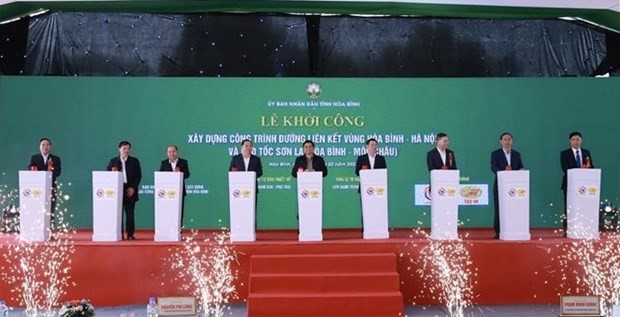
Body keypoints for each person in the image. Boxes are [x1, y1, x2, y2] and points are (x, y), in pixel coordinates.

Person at [490, 132, 524, 239]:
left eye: (509, 139)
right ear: (501, 141)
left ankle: (514, 228)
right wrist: (503, 171)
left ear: (512, 141)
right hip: (500, 185)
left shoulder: (517, 154)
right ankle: (498, 231)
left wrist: (520, 170)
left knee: (514, 207)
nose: (507, 141)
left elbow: (521, 167)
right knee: (499, 208)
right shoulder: (495, 154)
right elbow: (493, 168)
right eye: (505, 139)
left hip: (514, 187)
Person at [107, 141, 142, 240]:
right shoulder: (113, 161)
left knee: (130, 214)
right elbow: (108, 175)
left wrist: (133, 188)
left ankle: (130, 234)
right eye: (124, 148)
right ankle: (119, 234)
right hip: (117, 189)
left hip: (130, 189)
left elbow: (138, 176)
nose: (126, 150)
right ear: (119, 149)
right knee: (118, 214)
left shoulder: (135, 161)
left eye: (128, 149)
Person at [560, 131, 594, 231]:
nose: (576, 142)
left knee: (585, 205)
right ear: (570, 141)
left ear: (581, 141)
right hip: (569, 184)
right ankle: (567, 228)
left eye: (578, 139)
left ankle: (585, 227)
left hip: (584, 186)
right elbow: (564, 169)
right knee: (568, 206)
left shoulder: (586, 153)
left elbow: (591, 166)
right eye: (573, 140)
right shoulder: (564, 154)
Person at [229, 139, 264, 227]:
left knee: (251, 210)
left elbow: (260, 172)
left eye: (250, 146)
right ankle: (239, 227)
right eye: (246, 146)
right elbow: (231, 171)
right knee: (239, 210)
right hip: (238, 190)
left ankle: (252, 229)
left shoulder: (256, 159)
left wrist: (250, 176)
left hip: (251, 189)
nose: (248, 148)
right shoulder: (236, 159)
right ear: (242, 147)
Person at [28, 137, 62, 226]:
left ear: (50, 147)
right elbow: (31, 170)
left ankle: (49, 231)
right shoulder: (34, 158)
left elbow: (58, 172)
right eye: (43, 145)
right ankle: (36, 228)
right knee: (37, 207)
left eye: (47, 145)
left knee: (50, 208)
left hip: (51, 187)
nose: (45, 147)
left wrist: (48, 175)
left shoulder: (55, 159)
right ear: (39, 146)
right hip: (37, 188)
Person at [159, 145, 190, 228]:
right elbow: (161, 176)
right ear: (167, 153)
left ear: (177, 152)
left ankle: (179, 230)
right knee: (168, 211)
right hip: (167, 192)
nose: (172, 153)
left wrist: (180, 173)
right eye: (169, 152)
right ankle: (167, 228)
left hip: (179, 191)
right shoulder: (164, 163)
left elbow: (187, 174)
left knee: (179, 211)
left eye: (173, 151)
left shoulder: (183, 162)